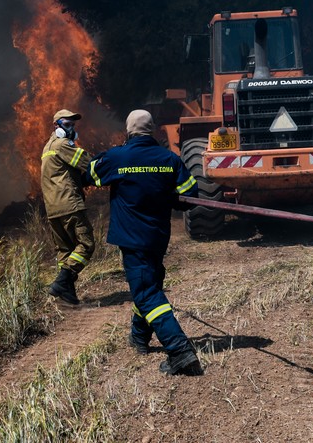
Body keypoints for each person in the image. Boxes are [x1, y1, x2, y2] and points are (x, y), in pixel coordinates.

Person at [88, 109, 203, 376]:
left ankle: (180, 351)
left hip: (131, 238)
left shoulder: (117, 157)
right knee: (150, 284)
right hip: (157, 237)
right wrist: (168, 195)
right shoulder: (169, 159)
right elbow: (190, 192)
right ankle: (139, 337)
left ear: (128, 131)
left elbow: (91, 174)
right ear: (153, 130)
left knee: (147, 293)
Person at [41, 109, 95, 305]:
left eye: (73, 125)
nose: (72, 128)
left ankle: (68, 296)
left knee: (65, 250)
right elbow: (88, 163)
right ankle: (61, 282)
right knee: (86, 245)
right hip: (69, 204)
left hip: (53, 208)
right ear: (57, 126)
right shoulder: (63, 144)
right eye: (67, 124)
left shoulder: (47, 147)